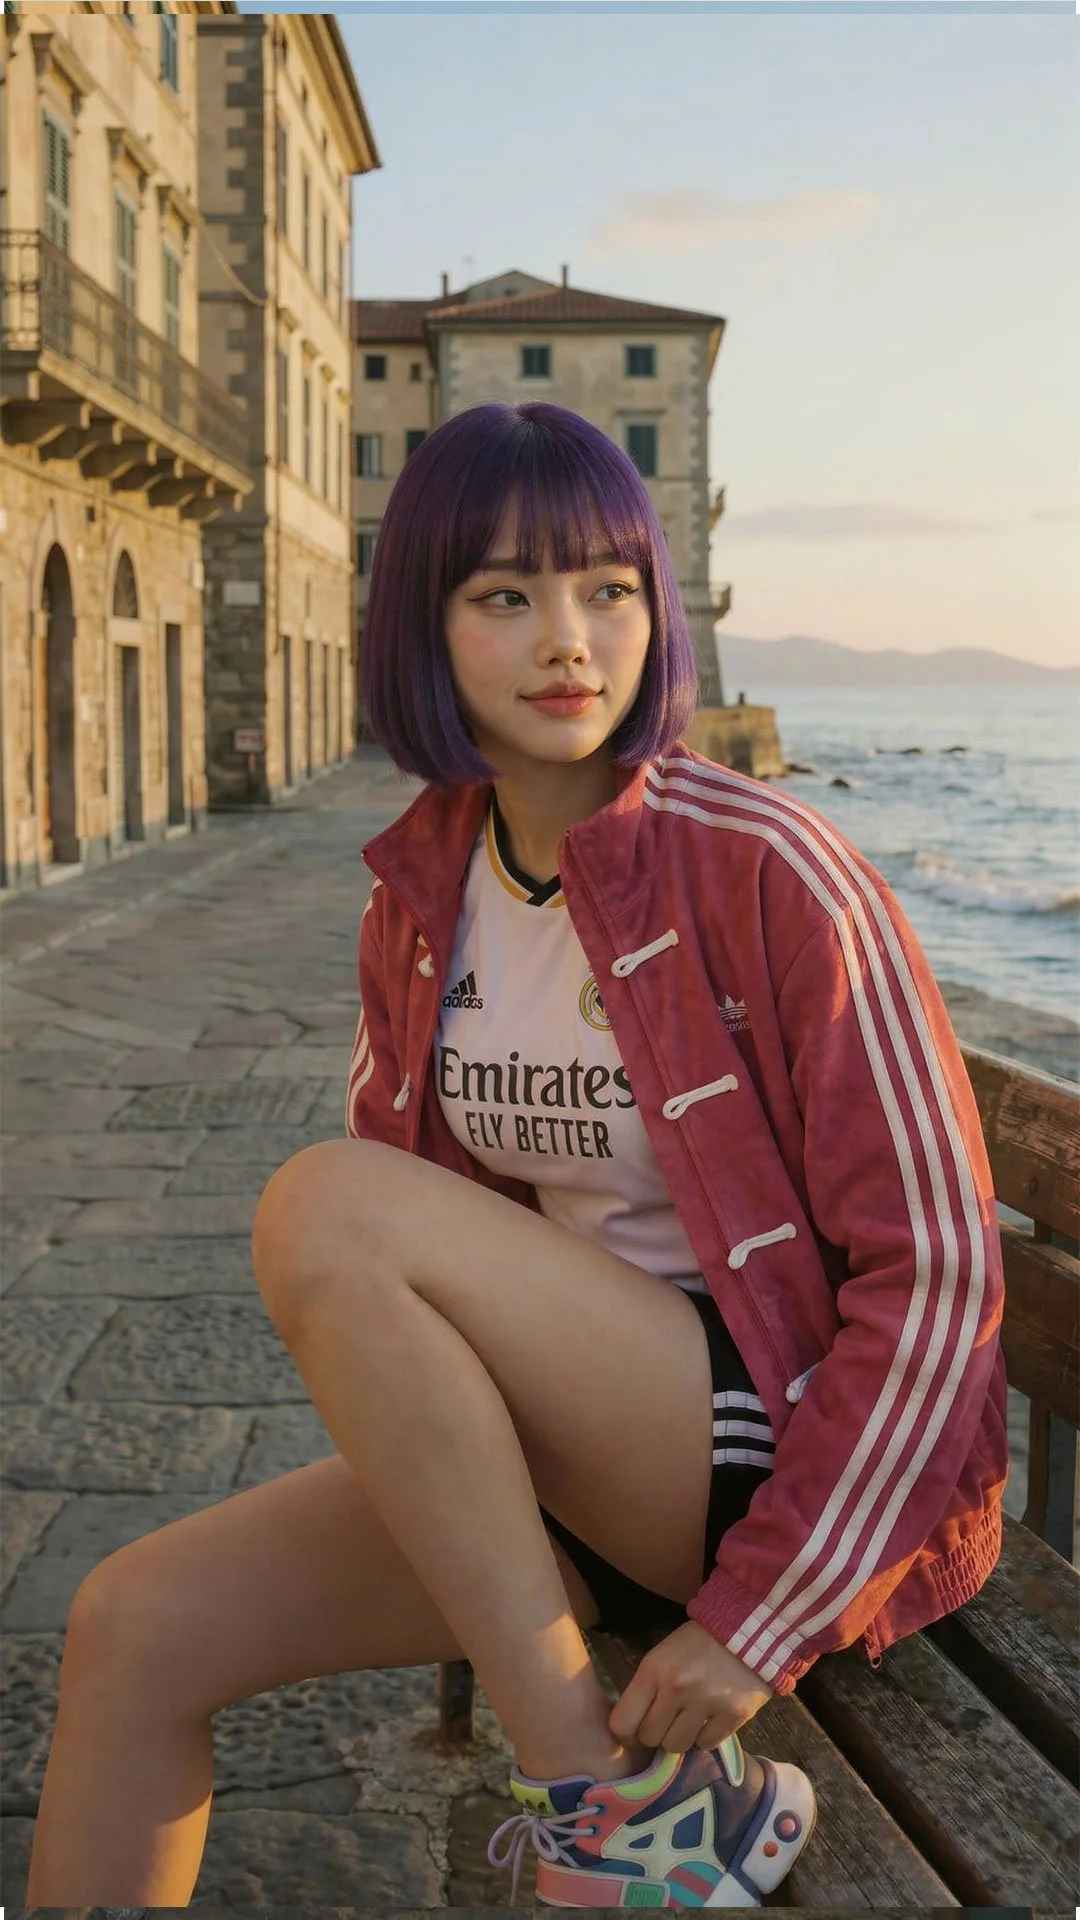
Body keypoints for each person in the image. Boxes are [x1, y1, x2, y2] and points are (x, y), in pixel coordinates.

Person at [26, 401, 1008, 1910]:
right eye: (504, 595)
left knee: (329, 1207)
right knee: (131, 1622)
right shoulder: (422, 893)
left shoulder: (771, 870)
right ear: (425, 627)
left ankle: (607, 1808)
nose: (569, 641)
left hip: (778, 1462)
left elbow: (939, 1281)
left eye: (609, 589)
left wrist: (760, 1618)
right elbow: (417, 1280)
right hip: (565, 1467)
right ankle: (626, 1809)